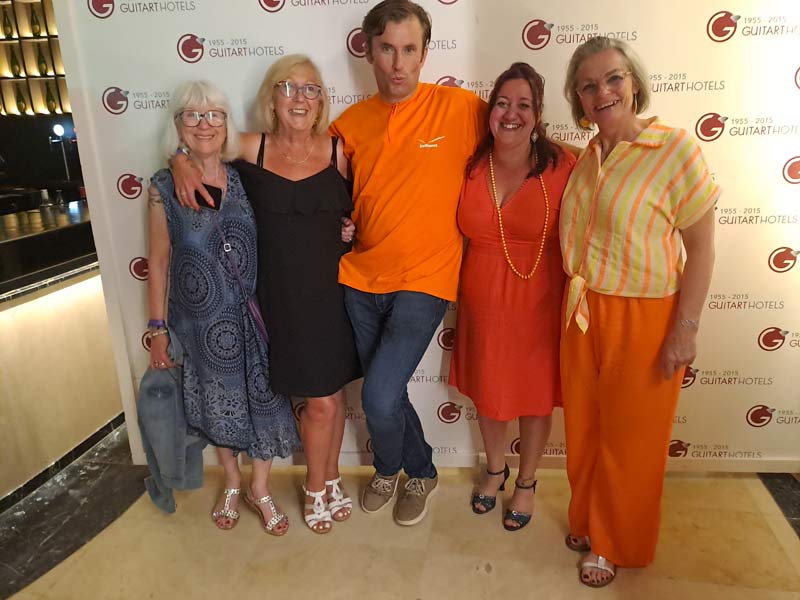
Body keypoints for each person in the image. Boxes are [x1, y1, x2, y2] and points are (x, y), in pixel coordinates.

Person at [170, 57, 361, 535]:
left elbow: (355, 212)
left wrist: (349, 229)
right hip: (279, 299)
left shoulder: (338, 151)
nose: (299, 98)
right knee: (319, 402)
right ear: (271, 99)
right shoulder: (250, 149)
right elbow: (203, 143)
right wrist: (178, 161)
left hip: (334, 295)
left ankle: (331, 478)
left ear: (321, 101)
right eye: (287, 87)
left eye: (310, 89)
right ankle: (315, 487)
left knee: (333, 396)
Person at [559, 37, 718, 587]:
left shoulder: (674, 149)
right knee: (585, 428)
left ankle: (614, 543)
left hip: (645, 316)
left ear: (634, 83)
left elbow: (702, 248)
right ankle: (586, 520)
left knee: (632, 440)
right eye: (588, 85)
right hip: (582, 311)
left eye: (613, 78)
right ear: (578, 99)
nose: (602, 91)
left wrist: (686, 329)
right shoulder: (587, 157)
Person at [330, 0, 485, 526]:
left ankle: (387, 468)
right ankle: (420, 471)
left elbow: (520, 131)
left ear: (424, 54)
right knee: (387, 390)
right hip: (359, 279)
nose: (398, 63)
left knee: (377, 395)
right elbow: (312, 182)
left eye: (409, 50)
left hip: (426, 279)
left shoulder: (461, 109)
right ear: (369, 52)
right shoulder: (348, 125)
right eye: (387, 49)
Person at [147, 80, 300, 535]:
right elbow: (158, 261)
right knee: (220, 406)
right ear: (177, 125)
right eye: (192, 115)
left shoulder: (246, 176)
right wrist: (156, 328)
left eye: (214, 114)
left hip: (258, 317)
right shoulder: (162, 187)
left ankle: (260, 487)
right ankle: (233, 480)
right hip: (201, 326)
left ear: (227, 123)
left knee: (266, 402)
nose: (205, 124)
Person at [449, 63, 575, 531]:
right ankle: (495, 469)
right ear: (490, 112)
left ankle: (527, 481)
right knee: (489, 392)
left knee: (535, 397)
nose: (511, 113)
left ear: (538, 115)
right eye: (502, 103)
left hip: (540, 302)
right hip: (481, 303)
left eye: (524, 105)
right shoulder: (469, 165)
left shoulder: (564, 166)